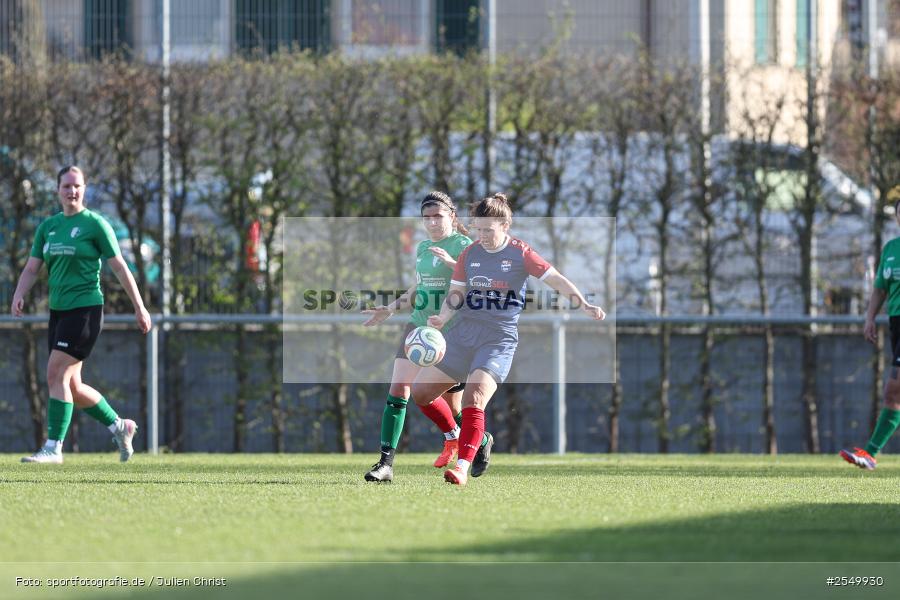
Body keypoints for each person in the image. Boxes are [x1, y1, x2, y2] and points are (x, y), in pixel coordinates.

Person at [411, 192, 606, 486]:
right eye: (477, 229)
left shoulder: (520, 253)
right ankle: (464, 438)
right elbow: (457, 293)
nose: (482, 236)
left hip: (497, 340)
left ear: (504, 225)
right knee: (421, 392)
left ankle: (462, 467)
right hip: (464, 335)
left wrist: (584, 303)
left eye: (487, 230)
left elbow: (556, 279)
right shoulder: (470, 253)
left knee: (474, 399)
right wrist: (442, 317)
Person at [11, 166, 152, 464]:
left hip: (85, 310)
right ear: (57, 190)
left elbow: (120, 268)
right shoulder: (47, 227)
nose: (71, 191)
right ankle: (119, 426)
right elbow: (33, 267)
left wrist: (140, 307)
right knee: (72, 387)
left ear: (85, 189)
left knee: (54, 373)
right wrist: (19, 293)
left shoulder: (95, 224)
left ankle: (53, 447)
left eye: (77, 186)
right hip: (58, 312)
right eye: (66, 186)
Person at [362, 191, 494, 483]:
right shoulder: (422, 247)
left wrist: (452, 263)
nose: (432, 222)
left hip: (452, 333)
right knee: (399, 390)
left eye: (438, 216)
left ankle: (479, 439)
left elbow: (481, 283)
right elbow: (419, 288)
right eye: (427, 217)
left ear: (452, 216)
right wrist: (391, 308)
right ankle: (385, 465)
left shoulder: (465, 246)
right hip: (418, 328)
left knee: (454, 406)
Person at [841, 186, 900, 470]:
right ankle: (870, 453)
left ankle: (871, 453)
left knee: (893, 390)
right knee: (894, 393)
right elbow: (880, 290)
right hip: (896, 324)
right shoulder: (891, 249)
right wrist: (869, 318)